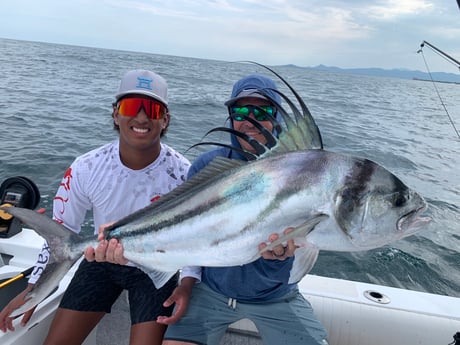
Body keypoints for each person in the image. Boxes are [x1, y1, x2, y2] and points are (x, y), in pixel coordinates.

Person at [0, 69, 191, 345]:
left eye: (152, 108)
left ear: (165, 120)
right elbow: (61, 236)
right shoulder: (86, 167)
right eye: (130, 106)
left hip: (155, 266)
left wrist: (187, 283)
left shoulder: (184, 174)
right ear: (116, 114)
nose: (141, 117)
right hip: (99, 259)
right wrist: (35, 289)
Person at [156, 74, 329, 345]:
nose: (250, 120)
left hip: (276, 296)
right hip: (211, 292)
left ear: (277, 116)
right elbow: (190, 233)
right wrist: (187, 283)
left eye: (262, 110)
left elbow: (310, 234)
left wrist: (288, 253)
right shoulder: (207, 167)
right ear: (230, 115)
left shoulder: (302, 169)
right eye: (240, 110)